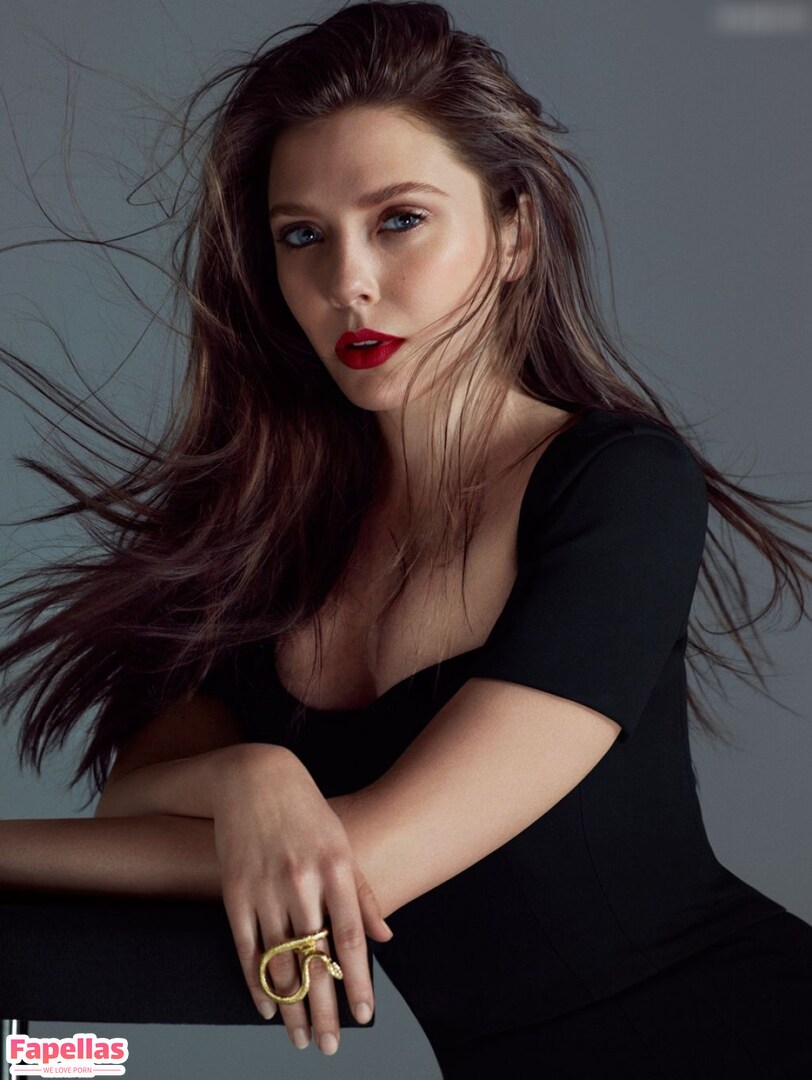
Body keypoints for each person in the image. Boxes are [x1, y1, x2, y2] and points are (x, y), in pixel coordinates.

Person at [1, 2, 811, 1076]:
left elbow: (360, 869)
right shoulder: (269, 548)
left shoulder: (618, 484)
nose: (347, 282)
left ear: (514, 234)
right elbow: (136, 804)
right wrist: (248, 780)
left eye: (399, 220)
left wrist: (255, 807)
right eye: (302, 236)